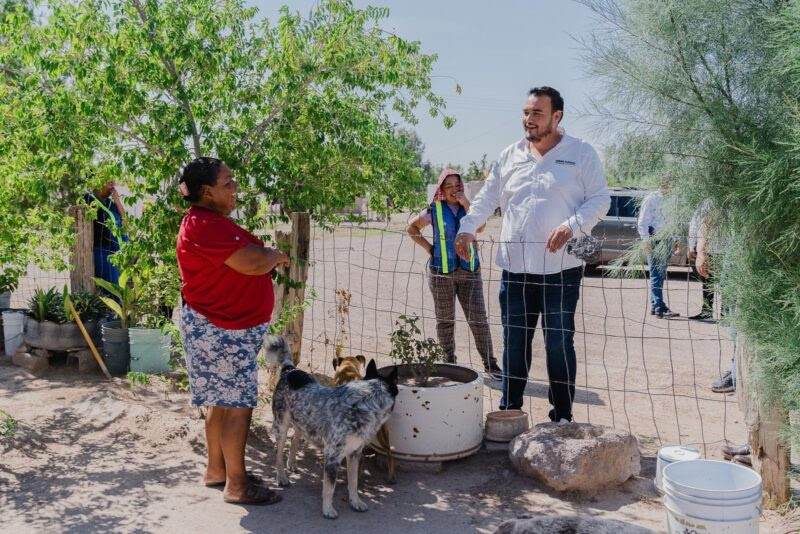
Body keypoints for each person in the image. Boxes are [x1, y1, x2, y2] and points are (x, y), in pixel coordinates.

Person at [454, 86, 610, 422]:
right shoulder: (509, 155)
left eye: (537, 113)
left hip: (562, 269)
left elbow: (600, 199)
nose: (529, 120)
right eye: (526, 113)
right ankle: (510, 410)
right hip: (516, 269)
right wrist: (467, 227)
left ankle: (563, 414)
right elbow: (486, 199)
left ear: (557, 116)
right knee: (514, 343)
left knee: (558, 343)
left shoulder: (581, 153)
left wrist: (572, 225)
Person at [176, 157, 289, 505]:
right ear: (207, 192)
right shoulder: (204, 225)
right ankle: (237, 486)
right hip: (221, 330)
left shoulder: (208, 221)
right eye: (228, 183)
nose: (235, 187)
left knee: (220, 403)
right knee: (236, 404)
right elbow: (251, 263)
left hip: (221, 328)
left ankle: (217, 470)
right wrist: (273, 255)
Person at [406, 169, 501, 380]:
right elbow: (411, 229)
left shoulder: (471, 208)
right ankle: (448, 363)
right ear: (441, 189)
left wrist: (467, 203)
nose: (453, 190)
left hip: (470, 272)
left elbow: (481, 226)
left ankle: (490, 364)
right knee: (445, 320)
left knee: (478, 319)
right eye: (448, 186)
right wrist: (430, 249)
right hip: (442, 274)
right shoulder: (434, 209)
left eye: (457, 185)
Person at [695, 210, 736, 393]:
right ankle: (736, 373)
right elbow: (708, 219)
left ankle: (738, 373)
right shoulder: (727, 186)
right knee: (736, 322)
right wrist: (701, 251)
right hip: (734, 256)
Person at [637, 177, 680, 319]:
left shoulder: (673, 200)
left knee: (660, 273)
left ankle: (655, 305)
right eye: (668, 182)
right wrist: (646, 242)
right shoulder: (652, 198)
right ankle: (660, 308)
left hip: (667, 240)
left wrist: (676, 240)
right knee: (656, 274)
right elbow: (642, 222)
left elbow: (673, 221)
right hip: (655, 240)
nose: (670, 185)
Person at [86, 181, 128, 286]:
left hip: (117, 252)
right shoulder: (88, 200)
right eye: (109, 183)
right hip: (103, 251)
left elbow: (126, 223)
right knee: (112, 289)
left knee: (121, 289)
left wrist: (118, 202)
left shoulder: (110, 203)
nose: (112, 186)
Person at [687, 200, 715, 320]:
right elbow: (694, 226)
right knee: (710, 281)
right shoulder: (705, 203)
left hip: (710, 249)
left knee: (707, 281)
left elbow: (694, 226)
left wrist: (691, 246)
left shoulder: (706, 203)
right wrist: (692, 245)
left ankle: (708, 311)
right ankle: (724, 314)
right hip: (715, 249)